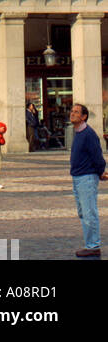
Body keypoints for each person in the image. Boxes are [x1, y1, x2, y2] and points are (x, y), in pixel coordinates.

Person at [69, 102, 107, 258]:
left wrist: (100, 172)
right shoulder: (78, 132)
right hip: (77, 177)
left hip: (87, 177)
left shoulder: (88, 134)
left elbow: (97, 156)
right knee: (83, 212)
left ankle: (93, 245)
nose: (72, 113)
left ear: (84, 116)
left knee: (89, 211)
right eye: (72, 111)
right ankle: (90, 243)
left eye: (76, 112)